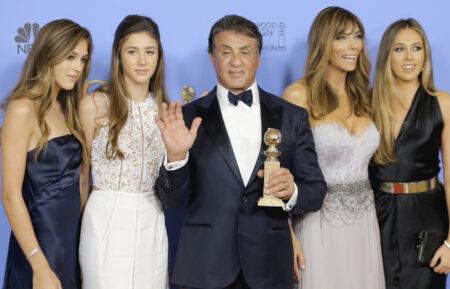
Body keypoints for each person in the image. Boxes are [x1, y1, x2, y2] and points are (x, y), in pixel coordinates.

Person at [154, 15, 326, 289]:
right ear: (212, 57)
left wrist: (292, 191)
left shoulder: (292, 117)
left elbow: (316, 192)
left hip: (270, 267)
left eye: (245, 52)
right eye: (226, 52)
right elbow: (172, 201)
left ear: (258, 57)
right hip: (205, 268)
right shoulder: (185, 118)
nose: (236, 61)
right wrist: (175, 157)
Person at [282, 6, 385, 289]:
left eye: (357, 36)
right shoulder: (298, 94)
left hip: (365, 223)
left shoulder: (364, 97)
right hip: (317, 224)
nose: (353, 45)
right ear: (323, 42)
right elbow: (277, 167)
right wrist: (286, 232)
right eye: (341, 37)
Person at [78, 15, 169, 289]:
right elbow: (82, 175)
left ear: (158, 57)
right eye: (133, 51)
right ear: (119, 55)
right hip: (105, 217)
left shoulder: (165, 109)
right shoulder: (94, 104)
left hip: (152, 217)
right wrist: (75, 231)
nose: (142, 61)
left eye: (149, 51)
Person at [1, 19, 92, 289]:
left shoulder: (68, 108)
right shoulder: (22, 109)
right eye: (70, 57)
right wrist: (39, 265)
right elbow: (10, 196)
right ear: (47, 53)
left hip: (71, 242)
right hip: (40, 247)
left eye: (83, 59)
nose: (78, 67)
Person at [371, 18, 450, 289]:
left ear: (425, 55)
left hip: (426, 217)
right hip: (376, 214)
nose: (409, 57)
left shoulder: (443, 103)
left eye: (417, 48)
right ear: (386, 56)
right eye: (399, 49)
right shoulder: (366, 103)